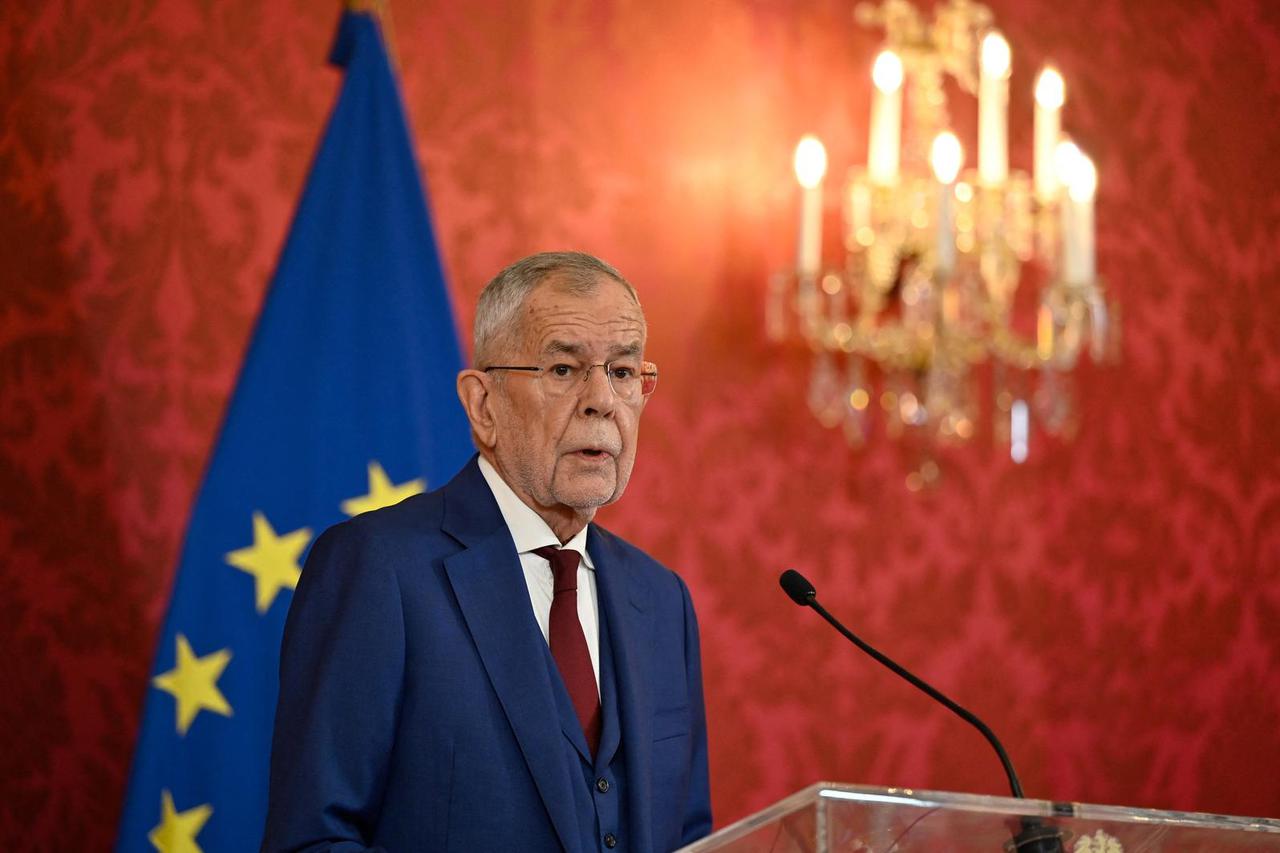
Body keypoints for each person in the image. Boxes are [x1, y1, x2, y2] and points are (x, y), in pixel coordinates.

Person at [260, 252, 712, 852]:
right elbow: (314, 840)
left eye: (625, 372)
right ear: (483, 405)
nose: (603, 399)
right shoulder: (378, 569)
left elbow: (689, 835)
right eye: (562, 368)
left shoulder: (661, 600)